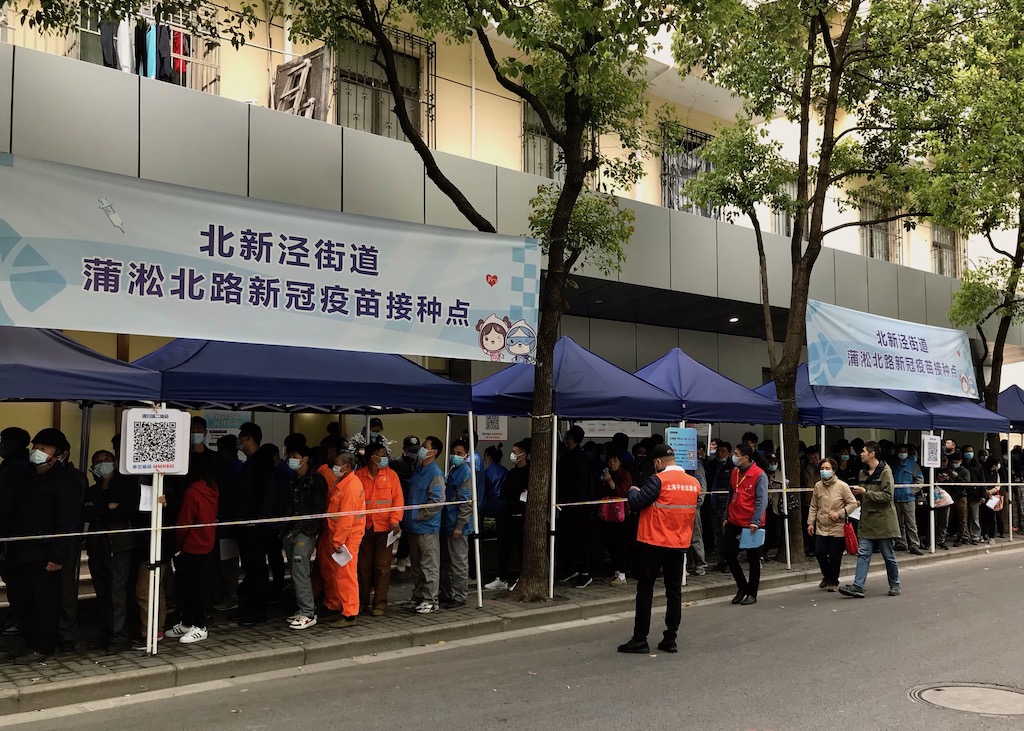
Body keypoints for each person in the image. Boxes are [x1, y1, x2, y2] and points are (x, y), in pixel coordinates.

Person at [617, 445, 701, 655]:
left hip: (653, 543)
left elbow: (636, 503)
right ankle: (670, 638)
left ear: (657, 462)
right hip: (679, 544)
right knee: (674, 592)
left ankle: (640, 639)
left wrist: (633, 490)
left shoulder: (658, 480)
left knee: (645, 591)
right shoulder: (694, 483)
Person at [6, 429, 81, 663]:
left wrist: (58, 555)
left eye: (44, 448)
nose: (37, 452)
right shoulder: (26, 475)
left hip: (45, 552)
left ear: (57, 454)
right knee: (20, 599)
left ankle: (45, 646)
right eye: (36, 446)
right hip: (20, 549)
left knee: (45, 601)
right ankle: (30, 643)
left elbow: (67, 520)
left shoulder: (65, 480)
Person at [83, 450, 140, 652]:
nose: (103, 463)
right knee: (102, 592)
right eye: (98, 461)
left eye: (106, 459)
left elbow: (127, 511)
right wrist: (107, 508)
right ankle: (106, 632)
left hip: (119, 544)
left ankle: (118, 634)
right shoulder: (91, 490)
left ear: (115, 463)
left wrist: (101, 510)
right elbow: (87, 513)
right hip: (96, 545)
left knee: (117, 591)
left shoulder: (126, 485)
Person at [165, 458, 219, 644]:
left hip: (191, 546)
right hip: (207, 543)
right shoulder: (212, 489)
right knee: (196, 587)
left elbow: (184, 522)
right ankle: (189, 622)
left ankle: (199, 625)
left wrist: (177, 545)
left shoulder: (191, 493)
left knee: (190, 588)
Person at [840, 441, 901, 598]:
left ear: (872, 454)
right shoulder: (862, 473)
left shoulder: (885, 471)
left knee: (888, 555)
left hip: (883, 521)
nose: (860, 454)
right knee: (863, 554)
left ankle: (895, 584)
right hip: (867, 520)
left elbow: (888, 496)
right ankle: (858, 586)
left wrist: (865, 492)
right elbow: (865, 495)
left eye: (863, 451)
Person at [279, 445, 327, 630]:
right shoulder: (292, 481)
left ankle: (308, 612)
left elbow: (318, 508)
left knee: (300, 571)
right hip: (291, 531)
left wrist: (309, 531)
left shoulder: (316, 480)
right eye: (290, 456)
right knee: (295, 570)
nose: (292, 459)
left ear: (305, 458)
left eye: (295, 455)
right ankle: (303, 609)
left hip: (305, 533)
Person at [235, 422, 278, 626]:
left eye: (242, 438)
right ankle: (248, 607)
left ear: (249, 438)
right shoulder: (253, 461)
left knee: (256, 568)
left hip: (255, 526)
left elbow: (261, 496)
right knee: (251, 568)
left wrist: (254, 520)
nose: (240, 442)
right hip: (248, 524)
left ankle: (257, 610)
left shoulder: (261, 463)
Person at [356, 441, 403, 617]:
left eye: (385, 454)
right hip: (364, 528)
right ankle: (361, 602)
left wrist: (395, 520)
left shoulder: (391, 476)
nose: (384, 458)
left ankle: (380, 603)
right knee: (363, 568)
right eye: (381, 454)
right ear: (371, 456)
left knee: (382, 568)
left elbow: (397, 501)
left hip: (385, 529)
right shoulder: (359, 476)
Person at [321, 451, 365, 628]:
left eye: (338, 464)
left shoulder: (351, 487)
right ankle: (344, 609)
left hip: (347, 538)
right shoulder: (345, 484)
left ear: (347, 466)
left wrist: (338, 541)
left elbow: (346, 518)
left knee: (346, 576)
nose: (335, 467)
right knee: (341, 575)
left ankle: (349, 614)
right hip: (342, 537)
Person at [401, 436, 445, 614]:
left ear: (433, 452)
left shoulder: (435, 473)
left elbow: (438, 501)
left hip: (426, 527)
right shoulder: (419, 469)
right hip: (413, 526)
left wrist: (420, 516)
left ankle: (431, 599)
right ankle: (418, 595)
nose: (421, 449)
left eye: (425, 447)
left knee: (429, 566)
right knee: (417, 566)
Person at [721, 444, 767, 606]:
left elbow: (762, 501)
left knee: (753, 559)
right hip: (734, 520)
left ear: (746, 458)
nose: (733, 456)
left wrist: (755, 521)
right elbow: (731, 495)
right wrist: (726, 515)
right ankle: (742, 587)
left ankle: (752, 592)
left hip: (752, 523)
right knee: (728, 553)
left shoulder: (759, 475)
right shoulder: (735, 472)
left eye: (736, 454)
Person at [807, 457, 858, 591]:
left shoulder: (842, 486)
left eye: (828, 468)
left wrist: (840, 513)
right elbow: (813, 506)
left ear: (834, 470)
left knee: (835, 557)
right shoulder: (818, 486)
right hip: (821, 526)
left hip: (838, 527)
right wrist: (810, 523)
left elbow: (853, 503)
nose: (825, 471)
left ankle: (833, 581)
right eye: (822, 469)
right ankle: (827, 576)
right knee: (820, 553)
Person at [556, 425, 598, 588]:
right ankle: (570, 567)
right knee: (569, 538)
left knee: (581, 539)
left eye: (567, 437)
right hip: (569, 506)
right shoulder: (570, 456)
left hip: (578, 506)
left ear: (571, 439)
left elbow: (580, 484)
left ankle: (585, 573)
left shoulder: (578, 458)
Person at [486, 440, 529, 591]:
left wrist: (515, 491)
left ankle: (521, 577)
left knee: (521, 548)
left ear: (523, 454)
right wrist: (516, 490)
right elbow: (506, 490)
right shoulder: (512, 472)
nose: (513, 454)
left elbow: (520, 491)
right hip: (508, 514)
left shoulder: (529, 471)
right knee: (503, 547)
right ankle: (502, 578)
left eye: (515, 452)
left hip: (522, 515)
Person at [440, 440, 474, 609]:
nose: (455, 456)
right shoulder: (454, 471)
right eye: (453, 452)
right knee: (447, 562)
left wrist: (460, 526)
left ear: (466, 455)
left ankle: (460, 596)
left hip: (458, 527)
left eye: (459, 453)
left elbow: (466, 503)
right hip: (448, 524)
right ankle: (447, 593)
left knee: (459, 562)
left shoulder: (466, 473)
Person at [599, 452, 632, 587]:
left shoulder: (625, 475)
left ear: (620, 462)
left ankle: (623, 574)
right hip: (608, 514)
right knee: (611, 543)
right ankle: (616, 572)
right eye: (609, 461)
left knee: (621, 543)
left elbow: (623, 492)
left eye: (614, 460)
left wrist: (611, 482)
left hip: (621, 514)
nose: (611, 464)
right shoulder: (607, 473)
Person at [390, 435, 421, 573]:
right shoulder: (396, 462)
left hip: (415, 501)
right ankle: (401, 557)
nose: (414, 453)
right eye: (411, 450)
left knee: (410, 531)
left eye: (416, 450)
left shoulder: (421, 461)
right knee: (401, 529)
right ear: (405, 449)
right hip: (401, 501)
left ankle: (404, 556)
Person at [892, 444, 924, 554]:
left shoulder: (913, 465)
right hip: (896, 498)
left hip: (908, 498)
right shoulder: (894, 465)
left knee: (911, 523)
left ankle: (914, 544)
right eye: (900, 451)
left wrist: (910, 491)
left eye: (904, 451)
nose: (902, 453)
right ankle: (901, 543)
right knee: (898, 523)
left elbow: (920, 481)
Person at [709, 441, 733, 572]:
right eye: (718, 450)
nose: (719, 453)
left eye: (723, 451)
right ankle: (721, 559)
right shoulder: (712, 465)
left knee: (726, 534)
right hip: (713, 503)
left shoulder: (732, 466)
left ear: (728, 453)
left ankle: (729, 561)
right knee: (717, 534)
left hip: (725, 504)